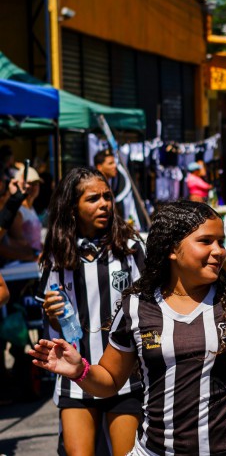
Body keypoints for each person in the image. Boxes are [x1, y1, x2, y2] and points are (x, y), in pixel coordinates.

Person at [30, 200, 226, 455]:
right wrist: (79, 370)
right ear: (172, 249)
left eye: (221, 242)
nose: (219, 251)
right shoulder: (137, 307)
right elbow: (110, 379)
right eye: (205, 241)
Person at [36, 167, 146, 455]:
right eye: (93, 198)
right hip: (74, 378)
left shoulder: (130, 249)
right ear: (73, 207)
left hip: (125, 377)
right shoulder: (55, 256)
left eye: (107, 196)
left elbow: (152, 306)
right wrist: (52, 316)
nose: (104, 204)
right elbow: (54, 327)